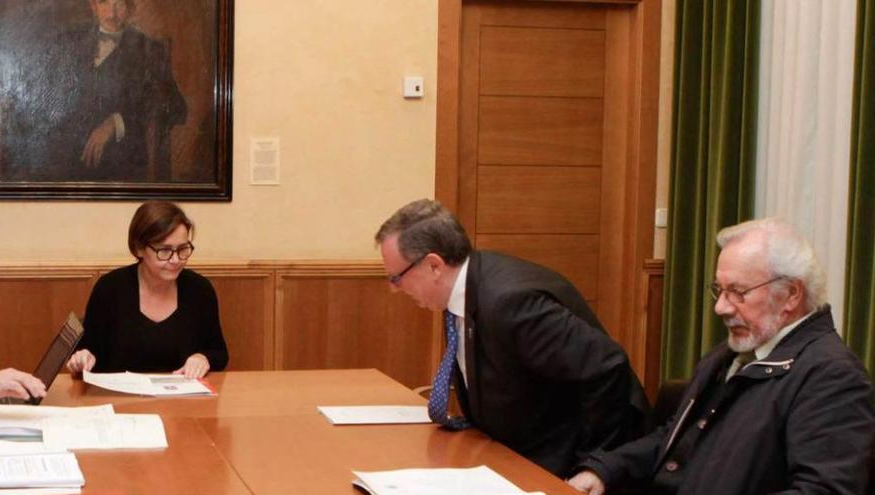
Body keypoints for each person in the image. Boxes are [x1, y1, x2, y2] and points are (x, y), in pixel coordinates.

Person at [571, 218, 875, 495]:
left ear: (791, 295)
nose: (721, 308)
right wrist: (605, 470)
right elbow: (675, 440)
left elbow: (825, 491)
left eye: (738, 292)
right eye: (720, 290)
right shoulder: (735, 352)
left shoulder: (832, 376)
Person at [375, 199, 649, 481]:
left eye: (396, 278)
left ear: (434, 265)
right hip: (511, 453)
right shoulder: (462, 293)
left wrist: (597, 465)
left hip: (563, 463)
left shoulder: (509, 302)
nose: (395, 289)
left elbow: (606, 366)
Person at [66, 200, 228, 379]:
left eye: (183, 249)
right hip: (120, 400)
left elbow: (219, 353)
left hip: (184, 399)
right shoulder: (110, 289)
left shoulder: (200, 290)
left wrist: (203, 358)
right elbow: (88, 351)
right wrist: (83, 358)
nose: (175, 260)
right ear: (139, 248)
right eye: (164, 250)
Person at [45, 0, 186, 181]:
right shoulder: (67, 41)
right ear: (93, 5)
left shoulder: (151, 50)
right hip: (66, 165)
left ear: (130, 8)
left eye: (119, 4)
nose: (111, 13)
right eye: (104, 2)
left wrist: (117, 122)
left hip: (121, 167)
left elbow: (176, 108)